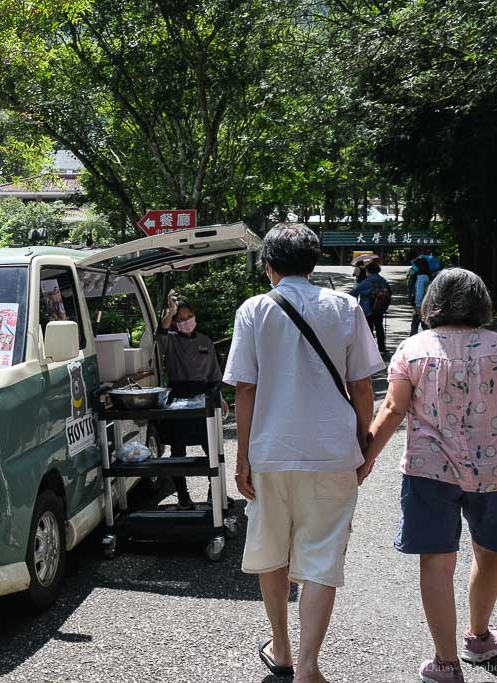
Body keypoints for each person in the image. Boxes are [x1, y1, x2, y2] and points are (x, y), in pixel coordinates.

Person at [223, 223, 384, 683]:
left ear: (269, 266)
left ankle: (283, 647)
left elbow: (246, 388)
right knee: (322, 557)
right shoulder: (345, 307)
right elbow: (361, 385)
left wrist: (242, 458)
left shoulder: (254, 310)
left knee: (272, 551)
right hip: (333, 452)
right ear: (313, 263)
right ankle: (311, 666)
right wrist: (364, 443)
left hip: (270, 453)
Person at [358, 268, 497, 683]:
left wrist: (367, 458)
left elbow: (392, 410)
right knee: (491, 551)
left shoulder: (413, 349)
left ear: (432, 303)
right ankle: (479, 637)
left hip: (430, 472)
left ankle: (446, 663)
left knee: (437, 562)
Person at [155, 297, 223, 510]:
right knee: (177, 451)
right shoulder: (170, 340)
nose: (186, 321)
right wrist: (170, 312)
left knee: (212, 448)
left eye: (189, 316)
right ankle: (183, 497)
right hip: (178, 400)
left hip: (203, 398)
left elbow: (214, 376)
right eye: (181, 318)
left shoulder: (205, 341)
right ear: (175, 322)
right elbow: (161, 335)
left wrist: (217, 398)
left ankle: (214, 494)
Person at [350, 261, 391, 354]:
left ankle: (370, 349)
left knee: (368, 329)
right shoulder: (383, 280)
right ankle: (382, 347)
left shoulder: (367, 282)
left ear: (368, 271)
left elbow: (354, 293)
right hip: (380, 308)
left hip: (368, 308)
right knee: (379, 327)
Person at [411, 256, 432, 335]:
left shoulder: (421, 277)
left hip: (420, 306)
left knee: (415, 326)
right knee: (424, 325)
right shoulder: (426, 276)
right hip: (426, 305)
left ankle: (412, 343)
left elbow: (419, 292)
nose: (413, 267)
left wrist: (417, 305)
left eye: (415, 266)